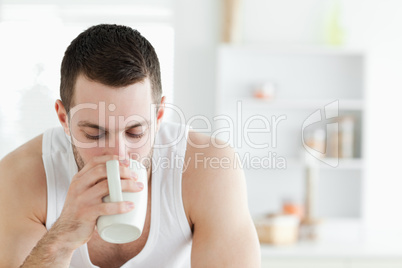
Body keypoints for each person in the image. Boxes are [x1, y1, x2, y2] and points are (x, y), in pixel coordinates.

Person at [0, 24, 260, 267]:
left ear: (158, 118)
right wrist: (62, 236)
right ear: (64, 119)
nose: (118, 154)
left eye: (135, 132)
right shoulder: (18, 176)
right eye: (94, 134)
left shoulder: (208, 168)